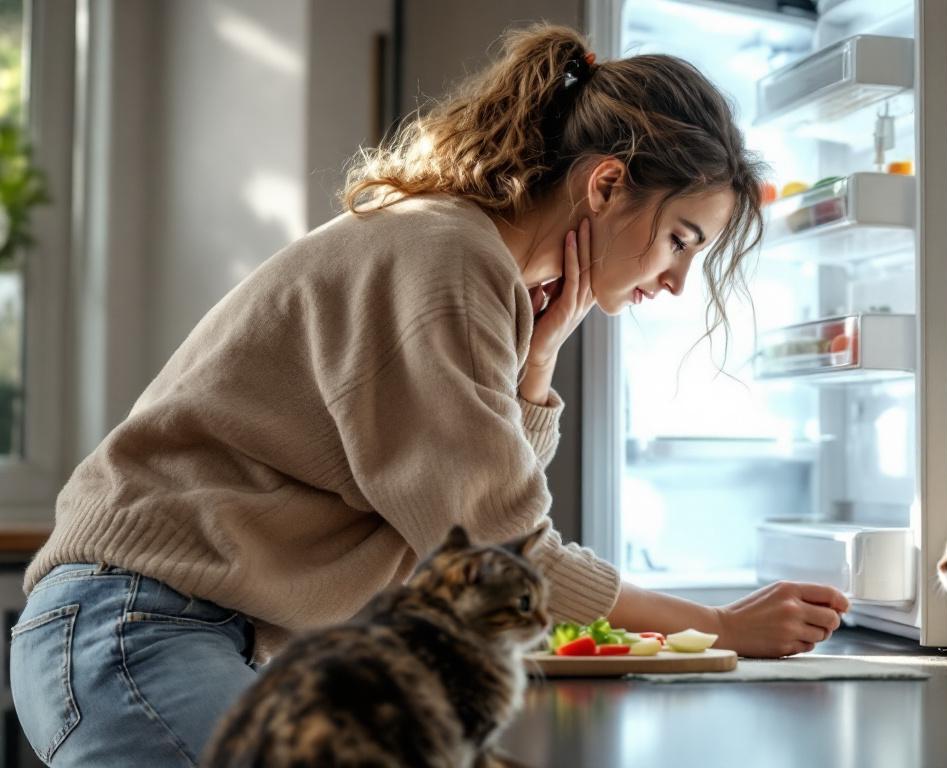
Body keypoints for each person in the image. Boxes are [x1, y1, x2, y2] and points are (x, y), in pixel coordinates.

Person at [10, 24, 849, 767]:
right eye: (680, 239)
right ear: (604, 186)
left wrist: (537, 363)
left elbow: (458, 511)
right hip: (134, 631)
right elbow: (502, 554)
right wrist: (720, 628)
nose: (675, 280)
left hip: (156, 629)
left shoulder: (456, 253)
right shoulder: (447, 259)